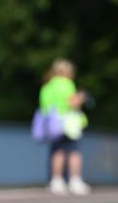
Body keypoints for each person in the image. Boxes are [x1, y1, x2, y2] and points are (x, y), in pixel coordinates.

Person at [39, 59, 91, 195]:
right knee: (74, 152)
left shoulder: (47, 86)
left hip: (53, 123)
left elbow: (44, 107)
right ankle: (75, 181)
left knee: (58, 152)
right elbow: (72, 103)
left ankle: (56, 181)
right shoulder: (66, 84)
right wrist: (81, 97)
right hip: (68, 122)